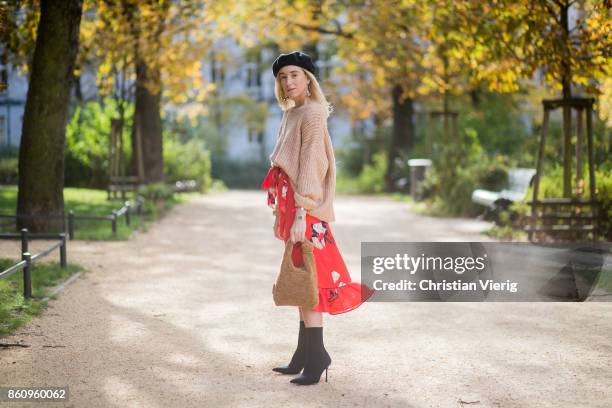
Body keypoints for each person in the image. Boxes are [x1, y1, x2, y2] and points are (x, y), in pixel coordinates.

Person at [261, 51, 375, 386]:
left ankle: (317, 355)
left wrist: (300, 211)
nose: (288, 81)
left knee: (310, 283)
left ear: (308, 78)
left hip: (305, 213)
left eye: (295, 75)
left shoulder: (311, 113)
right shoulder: (292, 112)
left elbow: (311, 166)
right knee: (300, 280)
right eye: (283, 77)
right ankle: (303, 355)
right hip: (294, 210)